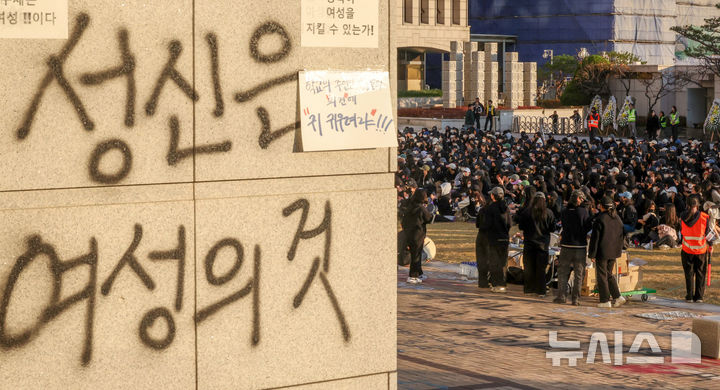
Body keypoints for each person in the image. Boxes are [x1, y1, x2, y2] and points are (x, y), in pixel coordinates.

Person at [554, 190, 593, 306]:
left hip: (566, 245)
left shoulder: (564, 211)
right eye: (581, 199)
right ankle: (575, 299)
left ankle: (561, 296)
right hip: (580, 246)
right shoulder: (583, 212)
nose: (582, 201)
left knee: (562, 272)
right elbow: (587, 227)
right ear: (578, 199)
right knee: (579, 274)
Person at [588, 196, 626, 308]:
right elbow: (621, 236)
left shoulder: (600, 219)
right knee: (608, 274)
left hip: (602, 251)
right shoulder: (618, 219)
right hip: (613, 251)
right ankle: (618, 296)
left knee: (602, 275)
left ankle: (605, 300)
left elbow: (595, 239)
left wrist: (592, 254)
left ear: (602, 206)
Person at [516, 192, 555, 296]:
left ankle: (529, 289)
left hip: (529, 243)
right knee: (541, 269)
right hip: (543, 244)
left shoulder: (526, 212)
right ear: (544, 201)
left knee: (528, 267)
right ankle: (541, 291)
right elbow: (552, 228)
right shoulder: (549, 213)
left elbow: (521, 226)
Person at [477, 186, 511, 292]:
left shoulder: (490, 209)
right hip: (504, 238)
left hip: (494, 238)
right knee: (503, 263)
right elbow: (509, 224)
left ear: (493, 196)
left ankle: (496, 284)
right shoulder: (506, 208)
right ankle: (502, 284)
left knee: (495, 262)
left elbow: (486, 225)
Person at [680, 197, 713, 302]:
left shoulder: (682, 217)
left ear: (687, 205)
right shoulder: (704, 217)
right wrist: (711, 246)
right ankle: (699, 297)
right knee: (700, 274)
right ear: (698, 205)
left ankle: (689, 296)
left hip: (686, 250)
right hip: (700, 251)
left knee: (689, 274)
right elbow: (708, 234)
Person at [401, 189, 433, 284]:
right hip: (418, 234)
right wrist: (430, 210)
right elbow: (429, 218)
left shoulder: (409, 208)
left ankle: (419, 273)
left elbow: (403, 222)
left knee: (416, 254)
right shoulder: (421, 209)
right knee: (416, 255)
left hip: (409, 234)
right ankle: (413, 276)